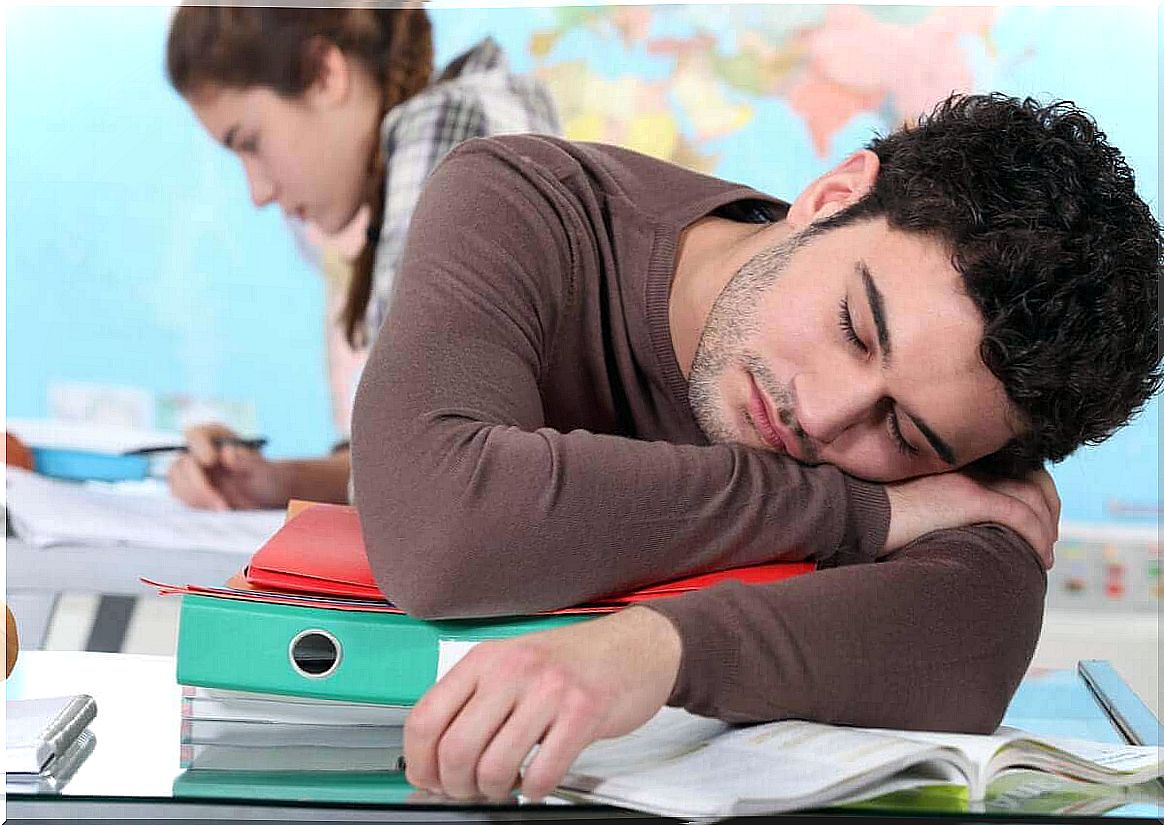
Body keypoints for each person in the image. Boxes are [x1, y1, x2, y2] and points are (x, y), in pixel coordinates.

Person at [347, 94, 1162, 801]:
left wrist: (658, 648)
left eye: (903, 432)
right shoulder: (530, 202)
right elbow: (442, 522)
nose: (826, 416)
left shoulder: (972, 404)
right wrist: (864, 508)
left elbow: (974, 646)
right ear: (833, 195)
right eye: (856, 327)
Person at [162, 6, 560, 510]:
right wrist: (274, 483)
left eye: (251, 143)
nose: (257, 192)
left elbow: (421, 479)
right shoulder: (436, 137)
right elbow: (416, 457)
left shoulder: (457, 122)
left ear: (325, 74)